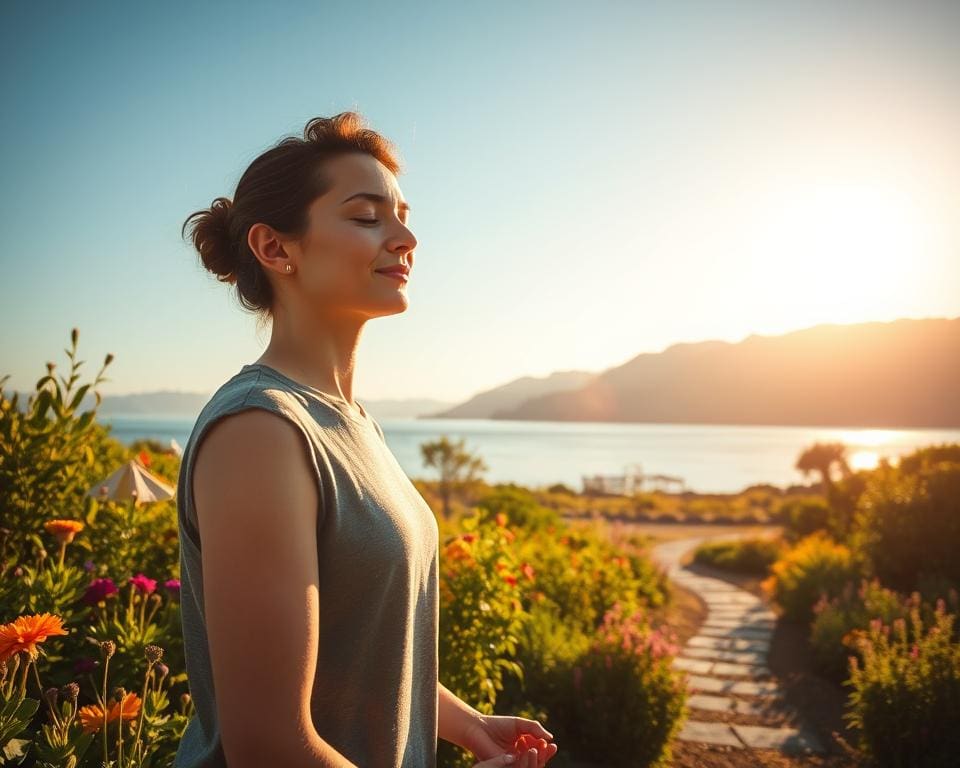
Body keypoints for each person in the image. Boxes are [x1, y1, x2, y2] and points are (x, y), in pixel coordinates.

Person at [174, 112, 558, 768]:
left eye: (402, 214)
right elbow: (268, 747)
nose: (406, 237)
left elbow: (356, 648)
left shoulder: (351, 422)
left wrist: (466, 726)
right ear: (276, 249)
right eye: (366, 216)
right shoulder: (260, 432)